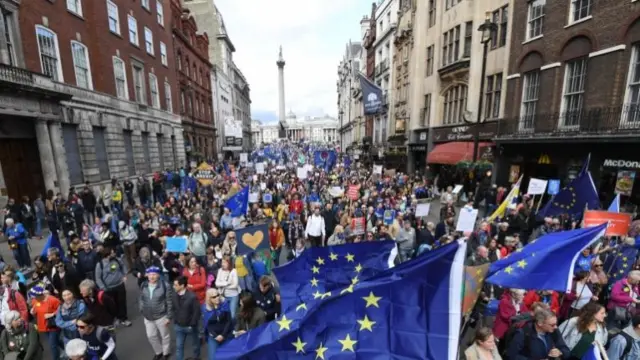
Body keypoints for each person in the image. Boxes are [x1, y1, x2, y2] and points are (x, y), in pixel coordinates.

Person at [506, 308, 571, 360]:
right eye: (552, 325)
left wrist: (560, 352)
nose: (556, 327)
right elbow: (511, 356)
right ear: (540, 323)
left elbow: (566, 350)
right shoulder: (523, 333)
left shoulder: (554, 331)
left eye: (556, 324)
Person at [139, 266, 173, 360]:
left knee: (164, 335)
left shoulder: (165, 285)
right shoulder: (143, 285)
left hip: (161, 316)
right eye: (150, 274)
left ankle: (166, 353)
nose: (151, 276)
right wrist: (141, 308)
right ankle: (158, 352)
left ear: (158, 275)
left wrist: (169, 317)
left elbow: (169, 301)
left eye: (154, 274)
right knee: (151, 336)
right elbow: (141, 298)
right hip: (148, 317)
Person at [94, 246, 131, 327]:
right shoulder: (100, 265)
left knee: (122, 302)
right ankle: (116, 318)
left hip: (120, 285)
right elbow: (98, 278)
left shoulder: (116, 260)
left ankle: (124, 318)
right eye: (112, 252)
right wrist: (103, 288)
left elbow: (123, 266)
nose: (114, 253)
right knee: (113, 304)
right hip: (109, 288)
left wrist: (124, 275)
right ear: (108, 255)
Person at [28, 285, 62, 359]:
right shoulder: (35, 301)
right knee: (55, 341)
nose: (33, 299)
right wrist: (33, 312)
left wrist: (52, 314)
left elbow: (62, 309)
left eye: (34, 297)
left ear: (40, 295)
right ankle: (67, 346)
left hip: (53, 325)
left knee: (52, 344)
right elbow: (36, 308)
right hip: (43, 326)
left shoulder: (52, 300)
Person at [172, 276, 201, 360]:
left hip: (190, 326)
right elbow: (173, 309)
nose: (173, 286)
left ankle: (196, 357)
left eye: (175, 285)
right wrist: (176, 320)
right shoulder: (174, 295)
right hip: (178, 326)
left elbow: (196, 312)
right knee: (179, 346)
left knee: (195, 344)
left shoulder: (192, 297)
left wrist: (192, 324)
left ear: (182, 286)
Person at [202, 288, 233, 360]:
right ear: (209, 299)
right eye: (214, 297)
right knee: (213, 357)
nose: (217, 298)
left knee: (228, 357)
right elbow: (207, 325)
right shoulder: (205, 308)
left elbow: (229, 321)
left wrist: (223, 335)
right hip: (214, 336)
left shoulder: (224, 304)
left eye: (217, 295)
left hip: (226, 333)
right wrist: (215, 336)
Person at [215, 255, 240, 320]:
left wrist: (223, 286)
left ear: (229, 263)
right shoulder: (220, 270)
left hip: (233, 296)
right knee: (224, 314)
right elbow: (216, 283)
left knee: (232, 315)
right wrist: (227, 283)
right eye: (222, 262)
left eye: (224, 262)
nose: (222, 264)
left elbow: (235, 285)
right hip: (223, 296)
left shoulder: (234, 271)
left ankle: (232, 328)